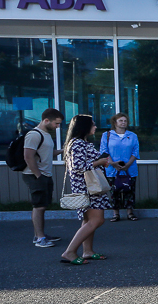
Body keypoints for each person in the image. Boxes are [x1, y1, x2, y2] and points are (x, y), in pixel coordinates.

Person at [58, 114, 117, 265]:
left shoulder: (80, 142)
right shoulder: (77, 143)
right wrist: (98, 162)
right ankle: (69, 251)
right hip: (88, 187)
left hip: (91, 186)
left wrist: (105, 162)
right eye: (93, 124)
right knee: (97, 220)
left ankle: (87, 251)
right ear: (84, 127)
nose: (95, 127)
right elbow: (78, 167)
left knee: (88, 220)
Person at [21, 108, 64, 248]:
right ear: (46, 120)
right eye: (56, 123)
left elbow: (47, 154)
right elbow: (28, 156)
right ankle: (40, 239)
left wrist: (64, 150)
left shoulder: (45, 134)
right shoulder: (34, 135)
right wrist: (38, 175)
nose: (57, 127)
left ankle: (40, 235)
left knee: (43, 206)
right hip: (35, 175)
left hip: (44, 174)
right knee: (39, 207)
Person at [100, 113, 140, 222]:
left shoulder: (132, 136)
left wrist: (127, 165)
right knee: (114, 191)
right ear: (115, 123)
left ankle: (130, 212)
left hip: (129, 169)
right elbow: (104, 151)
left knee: (129, 190)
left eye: (125, 121)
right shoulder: (107, 135)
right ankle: (115, 213)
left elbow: (135, 152)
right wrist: (112, 163)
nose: (123, 123)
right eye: (120, 121)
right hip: (112, 169)